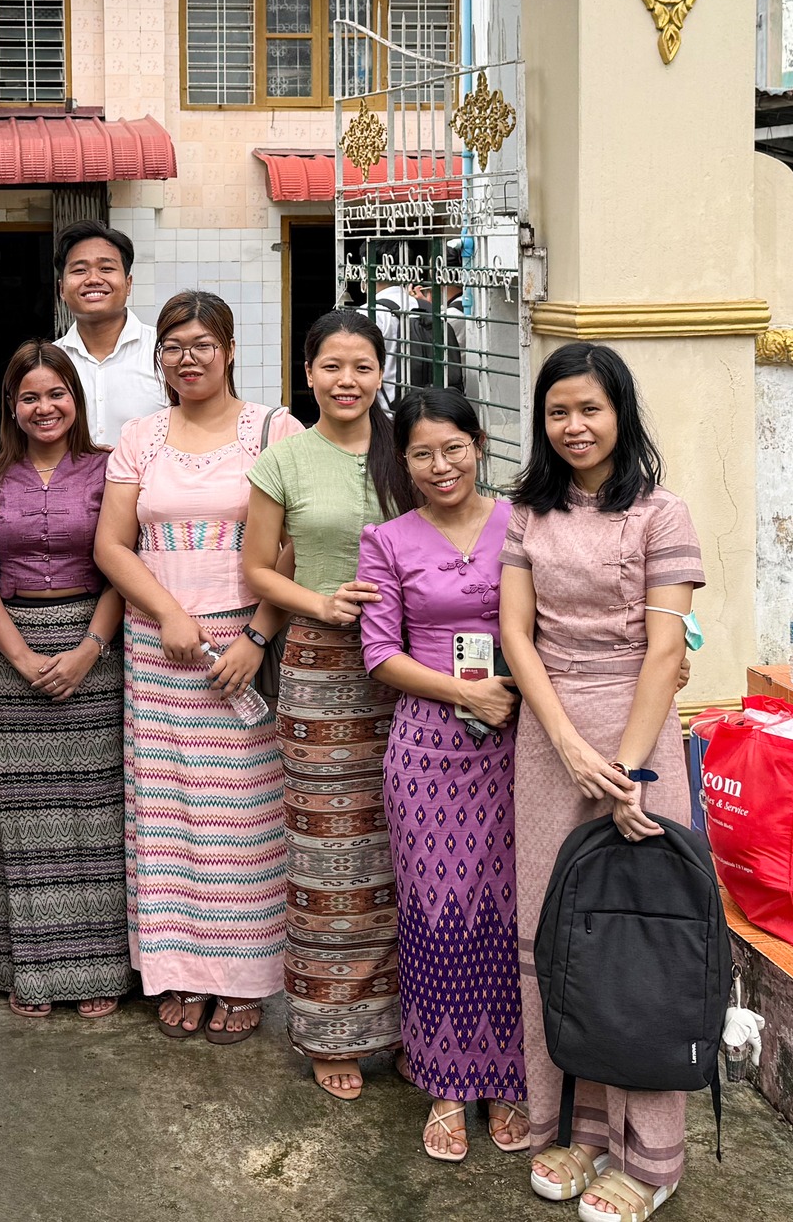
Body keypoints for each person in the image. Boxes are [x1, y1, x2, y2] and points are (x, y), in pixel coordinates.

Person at [500, 344, 702, 1221]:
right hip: (549, 743)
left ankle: (649, 1157)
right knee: (558, 935)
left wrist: (628, 766)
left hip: (639, 739)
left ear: (620, 412)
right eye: (558, 411)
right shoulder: (527, 513)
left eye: (589, 408)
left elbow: (665, 650)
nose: (573, 426)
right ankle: (578, 1131)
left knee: (637, 936)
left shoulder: (663, 513)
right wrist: (566, 745)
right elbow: (518, 635)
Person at [94, 290, 301, 1044]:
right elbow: (111, 544)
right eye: (174, 346)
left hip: (241, 651)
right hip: (159, 650)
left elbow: (294, 542)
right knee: (168, 819)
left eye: (202, 344)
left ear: (230, 350)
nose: (188, 358)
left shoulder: (274, 429)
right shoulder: (141, 436)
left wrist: (257, 636)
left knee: (242, 820)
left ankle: (241, 979)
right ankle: (177, 970)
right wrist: (168, 613)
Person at [241, 309, 415, 1096]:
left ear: (382, 372)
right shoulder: (284, 459)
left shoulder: (409, 451)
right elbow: (258, 568)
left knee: (411, 847)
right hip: (321, 669)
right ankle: (331, 1030)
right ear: (307, 372)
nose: (348, 380)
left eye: (363, 366)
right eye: (332, 365)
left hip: (414, 667)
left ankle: (414, 1026)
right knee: (327, 850)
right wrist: (318, 602)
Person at [354, 388, 527, 1160]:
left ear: (478, 444)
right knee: (437, 911)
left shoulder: (521, 523)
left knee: (511, 907)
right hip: (428, 748)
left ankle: (511, 1077)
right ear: (404, 461)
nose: (440, 465)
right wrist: (466, 692)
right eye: (422, 453)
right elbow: (379, 653)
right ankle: (447, 1083)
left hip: (518, 742)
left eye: (453, 448)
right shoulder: (386, 539)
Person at [0, 341, 127, 1019]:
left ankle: (101, 965)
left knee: (97, 810)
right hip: (13, 644)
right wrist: (22, 656)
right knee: (23, 815)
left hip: (97, 649)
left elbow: (124, 562)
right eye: (29, 396)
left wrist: (90, 647)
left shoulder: (109, 467)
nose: (44, 407)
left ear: (75, 400)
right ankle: (27, 967)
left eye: (57, 393)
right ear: (12, 405)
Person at [51, 220, 165, 448]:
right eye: (79, 270)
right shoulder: (50, 362)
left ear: (128, 284)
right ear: (62, 289)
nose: (93, 279)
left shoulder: (165, 352)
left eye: (106, 269)